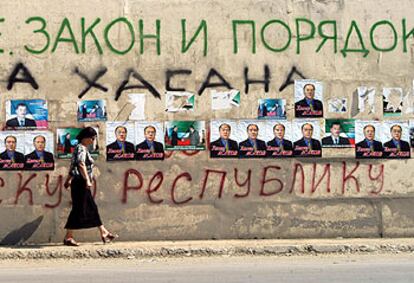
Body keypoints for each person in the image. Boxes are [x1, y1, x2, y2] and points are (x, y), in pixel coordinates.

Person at [63, 127, 118, 246]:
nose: (93, 140)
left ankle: (103, 232)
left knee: (90, 207)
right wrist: (87, 180)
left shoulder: (79, 149)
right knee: (79, 208)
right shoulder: (81, 148)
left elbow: (73, 167)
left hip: (78, 182)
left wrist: (68, 180)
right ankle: (68, 237)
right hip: (81, 183)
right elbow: (80, 164)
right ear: (86, 138)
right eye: (92, 138)